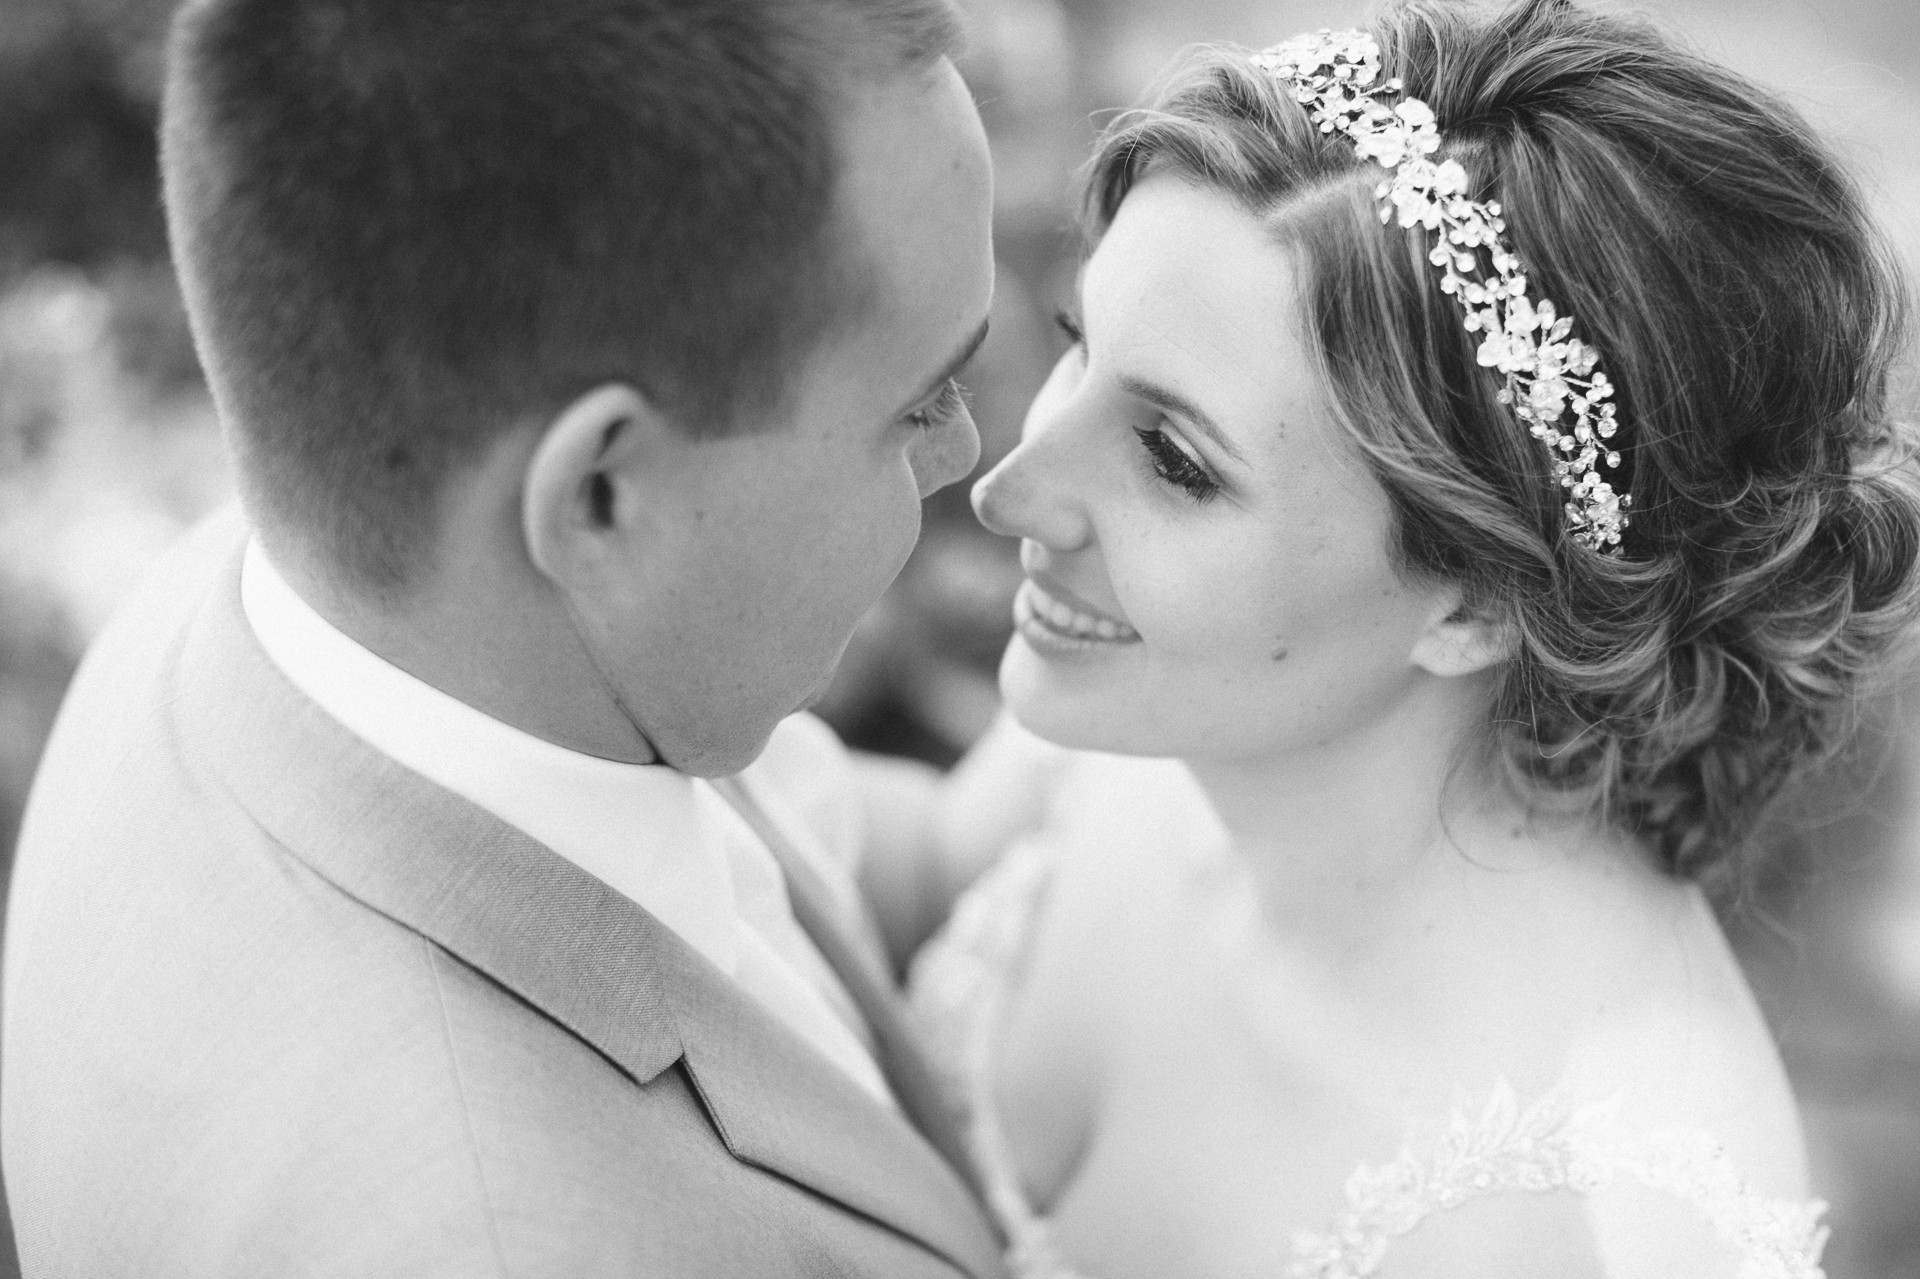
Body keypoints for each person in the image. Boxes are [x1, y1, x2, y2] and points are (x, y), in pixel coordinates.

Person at [893, 0, 1920, 1275]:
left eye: (1170, 458)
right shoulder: (1166, 705)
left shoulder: (1565, 1229)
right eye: (1078, 345)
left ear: (1479, 600)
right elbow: (895, 866)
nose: (1006, 487)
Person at [1, 0, 1006, 1274]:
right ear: (601, 496)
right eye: (921, 400)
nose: (967, 455)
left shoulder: (301, 597)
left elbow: (798, 881)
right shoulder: (515, 1238)